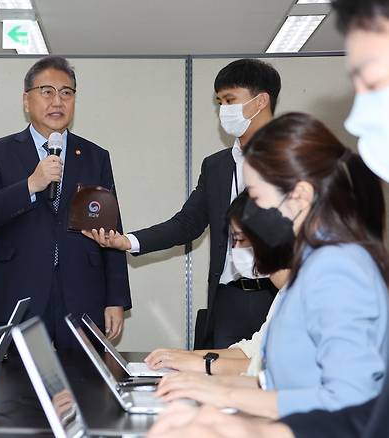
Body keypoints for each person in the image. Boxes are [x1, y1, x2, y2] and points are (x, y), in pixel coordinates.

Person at [152, 112, 389, 420]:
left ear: (300, 196)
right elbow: (283, 380)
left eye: (256, 197)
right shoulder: (314, 265)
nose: (250, 213)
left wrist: (225, 397)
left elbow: (349, 402)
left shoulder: (338, 269)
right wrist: (211, 388)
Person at [85, 59, 281, 348]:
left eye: (230, 100)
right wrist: (128, 242)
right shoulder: (217, 166)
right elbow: (187, 224)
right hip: (229, 299)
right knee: (219, 382)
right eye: (219, 102)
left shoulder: (298, 158)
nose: (223, 110)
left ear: (260, 101)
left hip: (280, 294)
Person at [0, 55, 131, 349]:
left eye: (66, 93)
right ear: (26, 100)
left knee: (85, 385)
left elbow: (111, 230)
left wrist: (116, 299)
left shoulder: (95, 156)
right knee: (19, 386)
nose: (58, 101)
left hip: (83, 293)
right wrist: (31, 185)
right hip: (20, 291)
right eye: (47, 91)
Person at [145, 190, 292, 377]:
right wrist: (181, 356)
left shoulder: (308, 294)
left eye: (239, 240)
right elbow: (251, 350)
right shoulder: (285, 293)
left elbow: (273, 371)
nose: (235, 250)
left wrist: (203, 365)